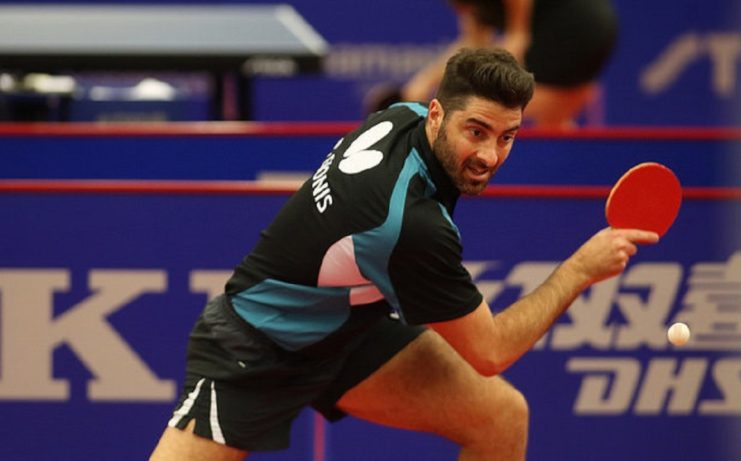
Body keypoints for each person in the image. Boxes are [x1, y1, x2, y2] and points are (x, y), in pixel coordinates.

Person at [151, 48, 657, 461]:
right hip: (257, 346)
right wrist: (579, 269)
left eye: (507, 138)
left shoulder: (402, 116)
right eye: (476, 131)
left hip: (347, 332)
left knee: (501, 417)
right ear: (437, 115)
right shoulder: (409, 226)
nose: (489, 155)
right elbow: (491, 351)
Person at [369, 0, 618, 128]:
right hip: (554, 33)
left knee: (494, 105)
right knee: (551, 123)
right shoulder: (467, 4)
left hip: (579, 28)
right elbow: (472, 44)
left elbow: (517, 40)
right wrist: (421, 83)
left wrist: (473, 90)